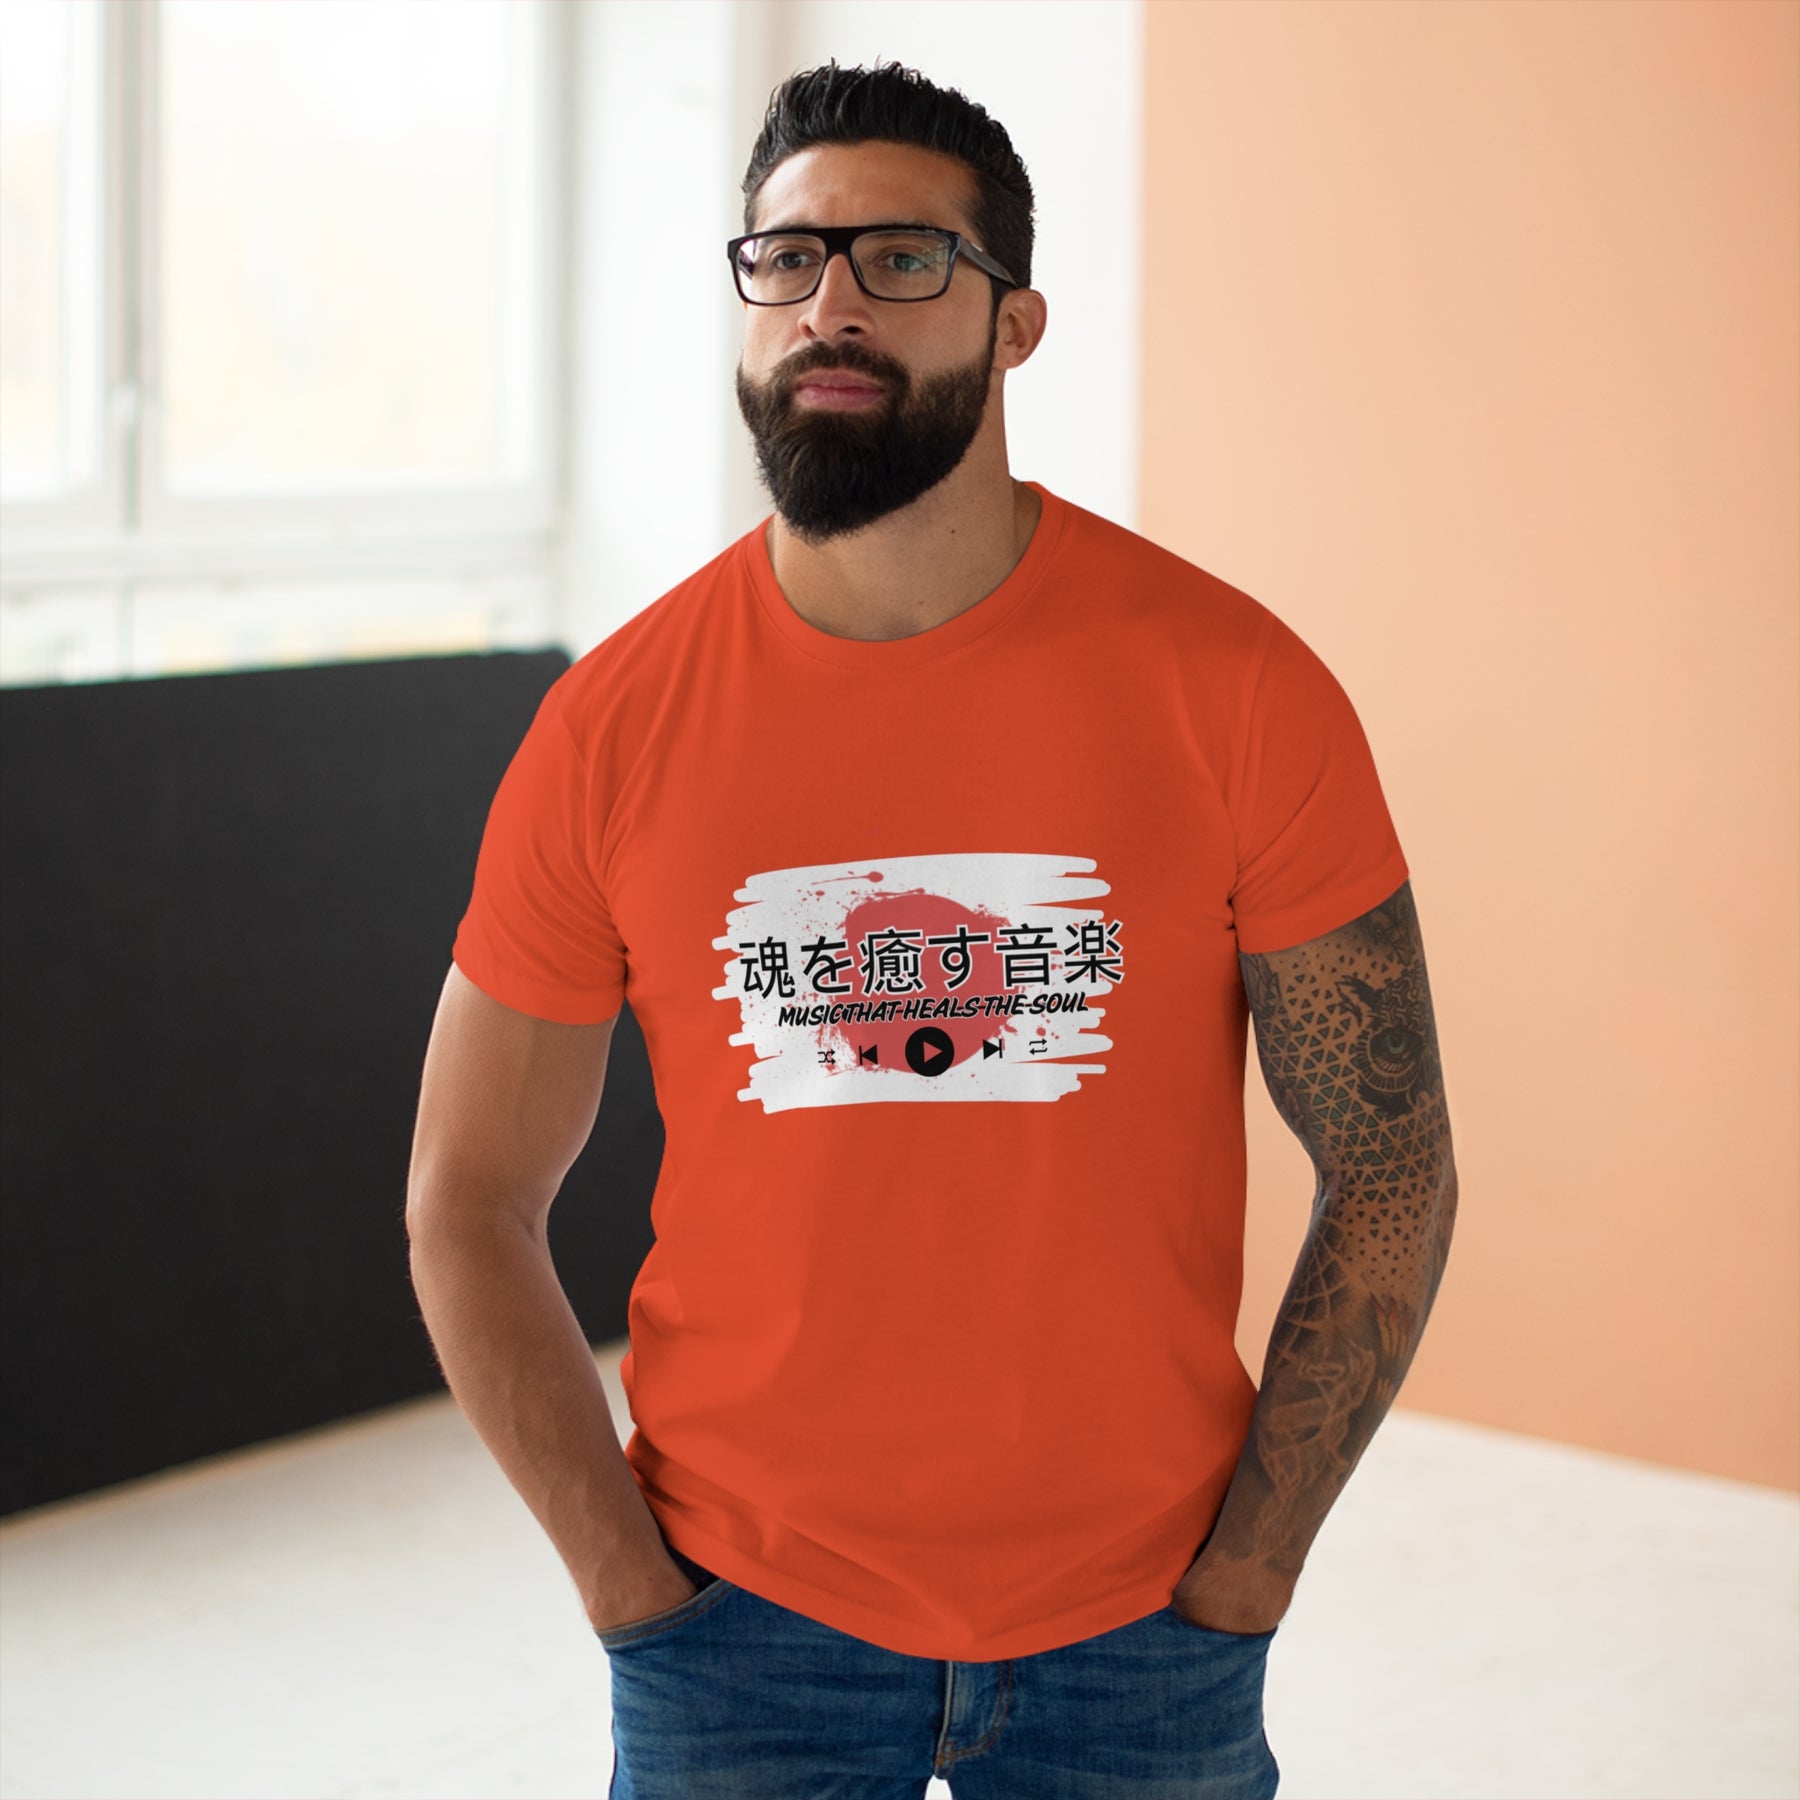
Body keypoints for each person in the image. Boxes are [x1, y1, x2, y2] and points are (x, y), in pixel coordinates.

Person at [406, 59, 1458, 1800]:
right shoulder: (613, 727)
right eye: (787, 258)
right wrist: (627, 1590)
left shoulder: (1235, 690)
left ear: (1015, 321)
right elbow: (467, 1196)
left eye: (901, 259)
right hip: (738, 1624)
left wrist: (1250, 1573)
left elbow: (1392, 1159)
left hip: (1145, 1626)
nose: (830, 303)